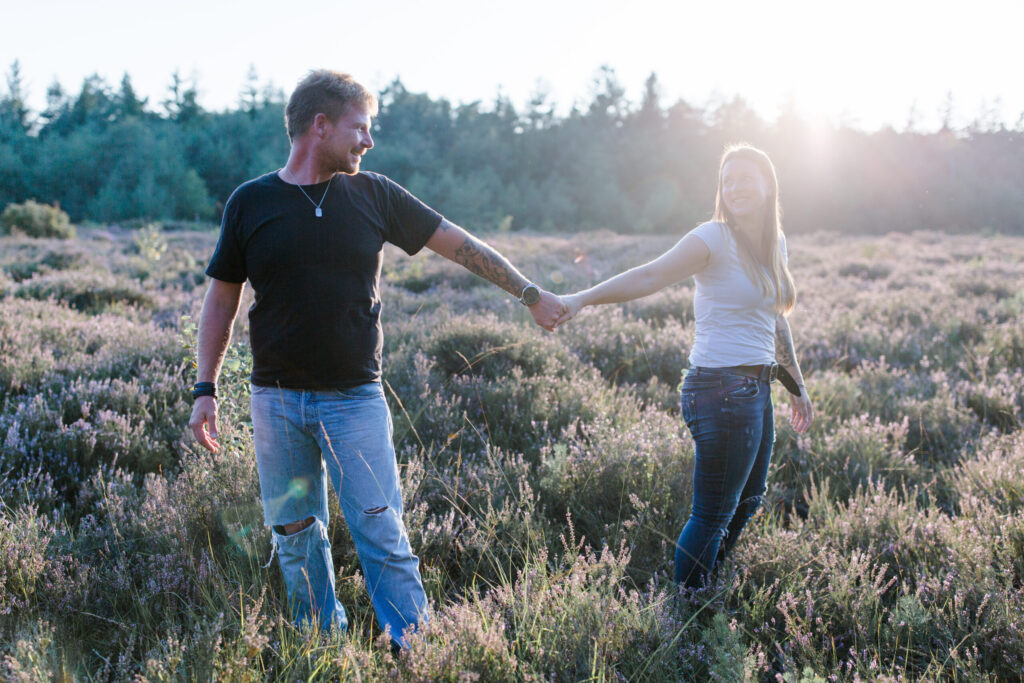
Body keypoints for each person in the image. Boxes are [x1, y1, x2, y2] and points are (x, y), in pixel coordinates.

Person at [187, 70, 564, 647]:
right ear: (320, 126)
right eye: (360, 128)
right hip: (276, 403)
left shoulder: (376, 194)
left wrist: (529, 293)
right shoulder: (251, 202)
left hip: (354, 401)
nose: (369, 140)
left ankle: (417, 651)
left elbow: (459, 244)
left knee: (382, 532)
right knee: (295, 536)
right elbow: (221, 300)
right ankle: (321, 647)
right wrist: (205, 389)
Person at [556, 144, 814, 587]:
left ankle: (706, 582)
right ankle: (687, 606)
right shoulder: (713, 238)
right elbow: (650, 275)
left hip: (757, 388)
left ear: (768, 185)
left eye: (745, 179)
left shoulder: (776, 245)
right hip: (721, 390)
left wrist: (797, 385)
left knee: (749, 500)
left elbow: (775, 320)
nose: (734, 188)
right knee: (712, 515)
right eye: (727, 181)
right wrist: (581, 299)